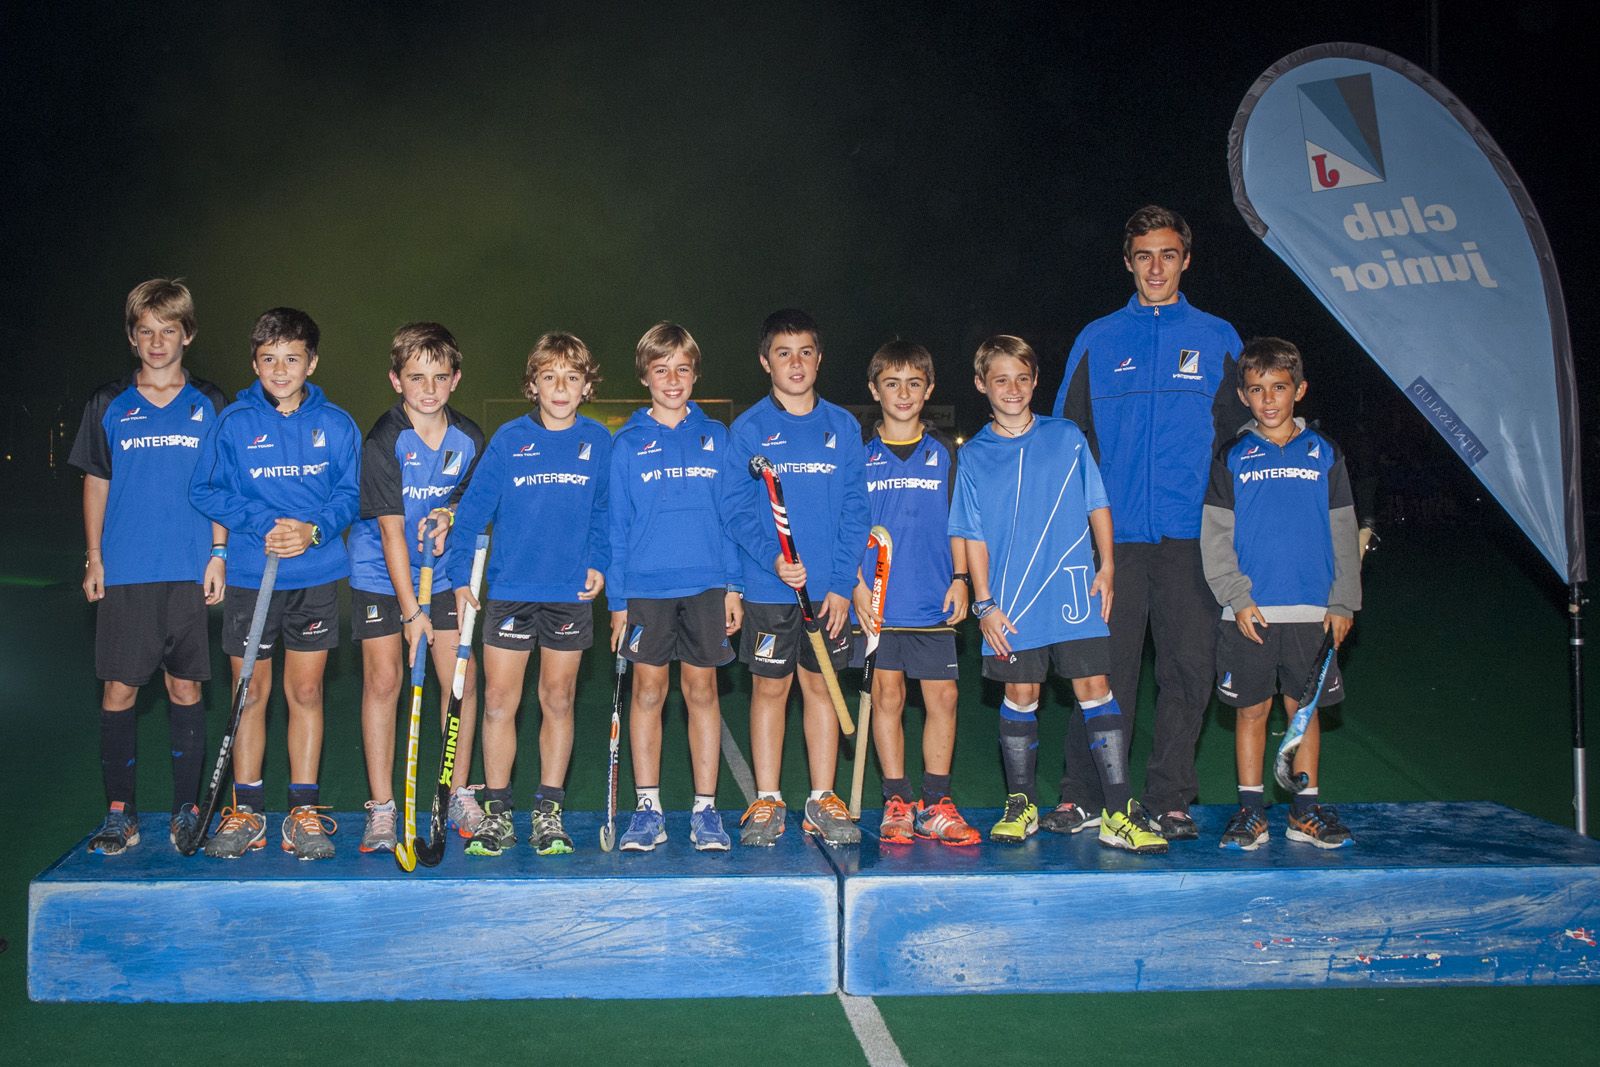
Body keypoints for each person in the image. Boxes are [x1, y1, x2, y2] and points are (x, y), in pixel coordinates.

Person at [1051, 205, 1248, 840]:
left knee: (1187, 672)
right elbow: (1068, 441)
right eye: (1144, 256)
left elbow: (1241, 443)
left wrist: (1239, 530)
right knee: (1102, 672)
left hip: (1193, 539)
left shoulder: (1219, 337)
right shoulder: (1098, 337)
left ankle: (1170, 798)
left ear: (1186, 260)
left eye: (1167, 255)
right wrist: (1072, 535)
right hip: (1113, 542)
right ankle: (1085, 795)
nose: (1155, 267)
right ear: (1128, 262)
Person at [952, 336, 1167, 853]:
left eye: (1022, 378)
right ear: (981, 385)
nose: (1013, 389)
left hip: (1073, 588)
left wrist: (1107, 566)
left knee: (1095, 687)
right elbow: (971, 535)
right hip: (1012, 601)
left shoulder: (1066, 436)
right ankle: (1021, 804)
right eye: (1000, 380)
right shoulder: (974, 456)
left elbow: (1097, 502)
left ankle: (1118, 811)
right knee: (1021, 694)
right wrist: (984, 604)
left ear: (1035, 382)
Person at [189, 307, 361, 860]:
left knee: (305, 692)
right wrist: (263, 522)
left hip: (315, 577)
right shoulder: (234, 422)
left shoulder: (337, 423)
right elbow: (205, 490)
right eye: (269, 359)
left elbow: (351, 494)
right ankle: (247, 811)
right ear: (254, 363)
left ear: (312, 362)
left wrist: (314, 531)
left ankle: (303, 812)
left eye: (292, 359)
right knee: (250, 694)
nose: (280, 370)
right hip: (251, 577)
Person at [70, 278, 228, 854]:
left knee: (185, 687)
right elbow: (96, 481)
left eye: (168, 330)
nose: (157, 342)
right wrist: (95, 558)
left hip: (189, 568)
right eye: (146, 332)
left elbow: (221, 484)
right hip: (127, 570)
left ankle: (188, 808)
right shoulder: (108, 402)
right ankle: (121, 813)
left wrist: (219, 553)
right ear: (132, 338)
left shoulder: (210, 402)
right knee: (118, 690)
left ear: (188, 334)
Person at [447, 332, 611, 857]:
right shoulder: (509, 439)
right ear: (532, 385)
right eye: (549, 377)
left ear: (586, 386)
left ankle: (548, 811)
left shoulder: (598, 442)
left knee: (557, 699)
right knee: (499, 702)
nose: (560, 388)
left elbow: (605, 512)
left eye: (571, 377)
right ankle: (497, 813)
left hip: (569, 594)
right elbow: (471, 514)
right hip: (511, 592)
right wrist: (458, 577)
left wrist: (599, 563)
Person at [1201, 337, 1361, 849]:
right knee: (1251, 710)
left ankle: (1304, 811)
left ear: (1300, 390)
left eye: (1278, 387)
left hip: (1313, 612)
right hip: (1249, 613)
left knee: (1302, 710)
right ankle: (1251, 812)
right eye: (1256, 389)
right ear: (1243, 396)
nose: (1268, 399)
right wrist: (1237, 597)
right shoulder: (1232, 456)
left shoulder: (1325, 453)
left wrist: (1343, 601)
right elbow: (1216, 536)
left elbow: (1343, 530)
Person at [725, 309, 869, 847]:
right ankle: (767, 797)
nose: (796, 363)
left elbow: (855, 509)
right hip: (770, 588)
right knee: (770, 688)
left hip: (828, 593)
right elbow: (736, 510)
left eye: (805, 352)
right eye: (783, 353)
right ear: (766, 362)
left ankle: (821, 797)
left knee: (822, 687)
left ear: (819, 358)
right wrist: (772, 560)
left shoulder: (842, 426)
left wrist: (840, 584)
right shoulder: (750, 430)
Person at [348, 322, 486, 853]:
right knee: (385, 681)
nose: (429, 389)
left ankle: (457, 792)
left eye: (439, 377)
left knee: (460, 680)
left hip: (444, 572)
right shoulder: (384, 440)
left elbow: (471, 501)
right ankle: (383, 808)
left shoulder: (470, 439)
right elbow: (389, 532)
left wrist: (451, 511)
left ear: (456, 379)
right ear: (395, 380)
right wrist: (411, 614)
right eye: (416, 377)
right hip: (381, 573)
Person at [606, 322, 741, 852]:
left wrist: (734, 586)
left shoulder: (718, 437)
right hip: (645, 589)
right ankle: (648, 810)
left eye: (682, 369)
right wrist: (617, 602)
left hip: (707, 585)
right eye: (661, 370)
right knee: (647, 693)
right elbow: (617, 529)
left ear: (695, 374)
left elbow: (730, 517)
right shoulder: (626, 444)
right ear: (645, 376)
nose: (672, 379)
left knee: (702, 692)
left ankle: (706, 810)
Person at [851, 340, 978, 846]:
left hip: (933, 599)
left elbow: (962, 522)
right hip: (878, 603)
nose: (903, 394)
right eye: (891, 384)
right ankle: (897, 801)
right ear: (874, 390)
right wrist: (855, 586)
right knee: (888, 696)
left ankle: (936, 803)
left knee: (943, 696)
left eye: (913, 384)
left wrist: (962, 578)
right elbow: (846, 528)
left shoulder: (945, 453)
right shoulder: (860, 457)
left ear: (929, 390)